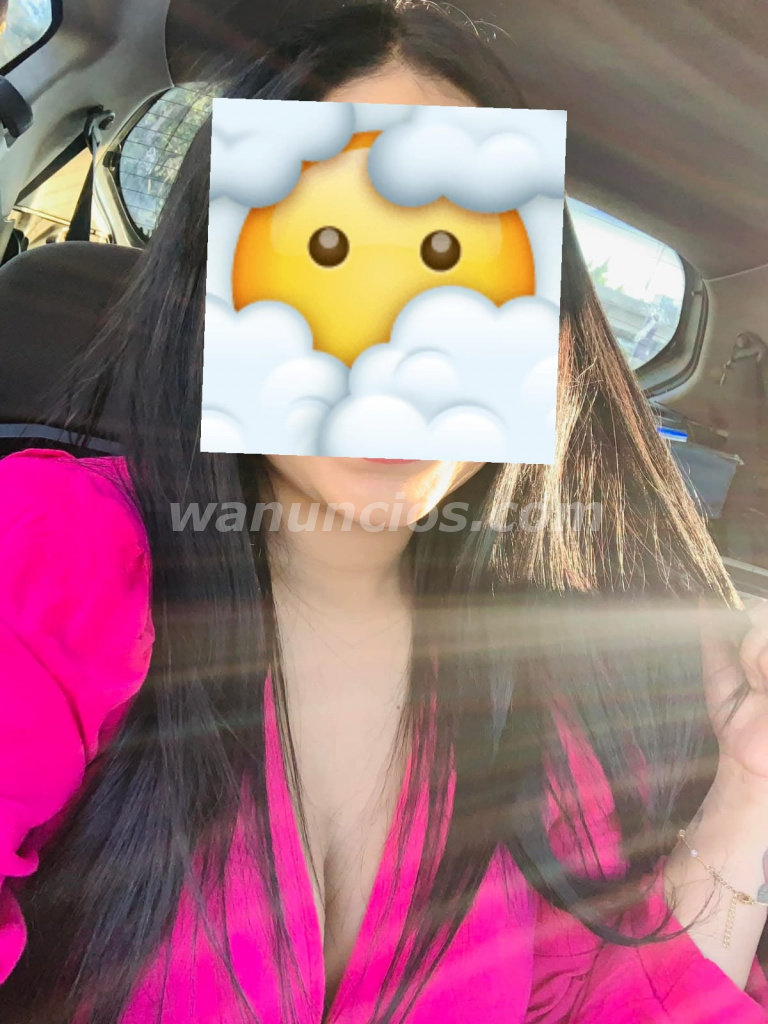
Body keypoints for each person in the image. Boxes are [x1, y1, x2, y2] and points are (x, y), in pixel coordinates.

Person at [1, 3, 767, 1022]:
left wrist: (750, 781)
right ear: (213, 297)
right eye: (327, 248)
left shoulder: (551, 682)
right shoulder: (55, 550)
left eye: (452, 258)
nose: (395, 345)